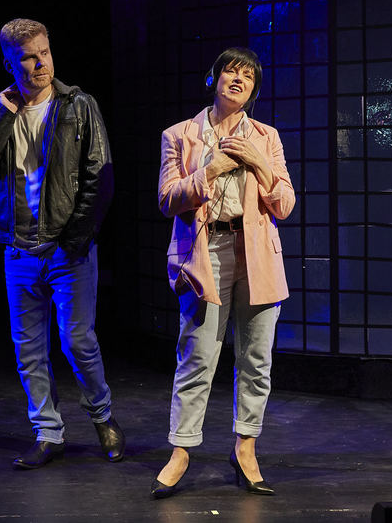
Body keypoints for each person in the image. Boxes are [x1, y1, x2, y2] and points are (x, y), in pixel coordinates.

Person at [0, 18, 123, 470]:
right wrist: (3, 113)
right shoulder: (5, 112)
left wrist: (75, 240)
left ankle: (103, 416)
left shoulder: (79, 105)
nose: (40, 64)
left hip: (67, 249)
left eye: (45, 53)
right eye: (28, 58)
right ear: (9, 65)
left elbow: (100, 178)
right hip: (18, 249)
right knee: (29, 350)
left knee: (77, 341)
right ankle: (48, 433)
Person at [152, 47, 295, 498]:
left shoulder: (266, 137)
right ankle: (181, 450)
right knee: (197, 356)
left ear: (254, 90)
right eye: (231, 71)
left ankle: (245, 447)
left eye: (248, 76)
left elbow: (285, 205)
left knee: (256, 359)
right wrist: (209, 170)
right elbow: (167, 199)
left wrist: (260, 163)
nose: (238, 80)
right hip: (205, 252)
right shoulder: (179, 135)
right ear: (214, 78)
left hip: (257, 254)